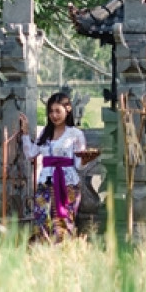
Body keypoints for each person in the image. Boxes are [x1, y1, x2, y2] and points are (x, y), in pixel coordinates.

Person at [18, 92, 87, 243]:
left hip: (68, 184)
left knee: (63, 221)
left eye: (58, 111)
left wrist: (86, 158)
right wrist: (25, 133)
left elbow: (79, 165)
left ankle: (63, 254)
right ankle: (43, 253)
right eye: (51, 111)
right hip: (45, 183)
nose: (54, 115)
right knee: (42, 219)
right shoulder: (45, 132)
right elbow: (30, 154)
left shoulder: (76, 134)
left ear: (68, 109)